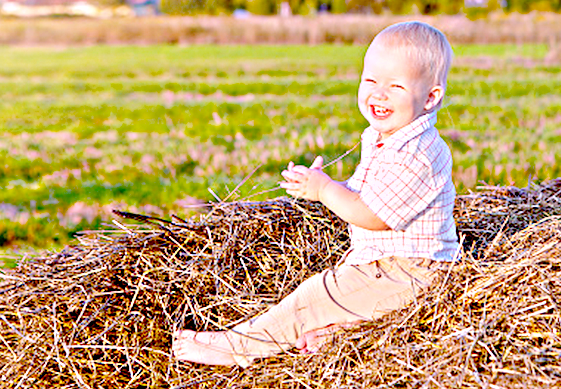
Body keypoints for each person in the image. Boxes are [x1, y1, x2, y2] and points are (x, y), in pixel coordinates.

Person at [172, 21, 459, 367]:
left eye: (396, 86)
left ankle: (238, 348)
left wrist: (324, 189)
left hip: (413, 273)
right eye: (370, 81)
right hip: (389, 264)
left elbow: (372, 214)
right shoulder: (385, 136)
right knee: (342, 294)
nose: (379, 94)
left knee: (314, 295)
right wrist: (320, 181)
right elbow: (364, 190)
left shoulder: (419, 154)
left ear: (430, 97)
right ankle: (343, 332)